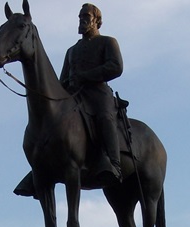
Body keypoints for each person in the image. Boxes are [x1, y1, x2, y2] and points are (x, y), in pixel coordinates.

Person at [14, 3, 124, 197]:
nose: (81, 20)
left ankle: (114, 163)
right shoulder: (72, 51)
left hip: (98, 93)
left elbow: (115, 67)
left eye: (86, 17)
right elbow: (62, 79)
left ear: (96, 21)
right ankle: (38, 169)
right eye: (80, 17)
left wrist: (87, 75)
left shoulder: (108, 42)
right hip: (75, 95)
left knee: (105, 118)